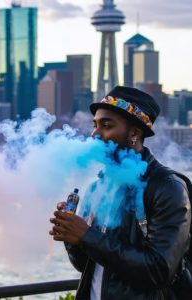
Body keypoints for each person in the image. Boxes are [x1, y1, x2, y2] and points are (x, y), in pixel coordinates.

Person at [49, 86, 191, 299]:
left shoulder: (167, 187)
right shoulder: (97, 188)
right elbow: (85, 266)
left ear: (134, 132)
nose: (96, 134)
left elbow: (159, 271)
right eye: (95, 125)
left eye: (106, 125)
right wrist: (72, 237)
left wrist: (87, 235)